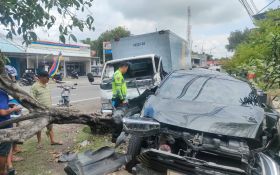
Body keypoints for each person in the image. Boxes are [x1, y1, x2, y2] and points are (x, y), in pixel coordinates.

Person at [30, 71, 62, 148]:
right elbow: (31, 100)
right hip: (39, 111)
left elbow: (49, 97)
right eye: (47, 77)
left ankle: (52, 140)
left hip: (48, 110)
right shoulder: (35, 86)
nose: (48, 79)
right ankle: (39, 142)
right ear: (40, 77)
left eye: (48, 77)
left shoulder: (47, 85)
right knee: (39, 127)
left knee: (50, 126)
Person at [0, 89, 21, 175]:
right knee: (3, 151)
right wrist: (14, 108)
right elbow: (2, 112)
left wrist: (9, 105)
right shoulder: (1, 93)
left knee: (6, 149)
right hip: (3, 126)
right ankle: (2, 172)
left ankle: (9, 166)